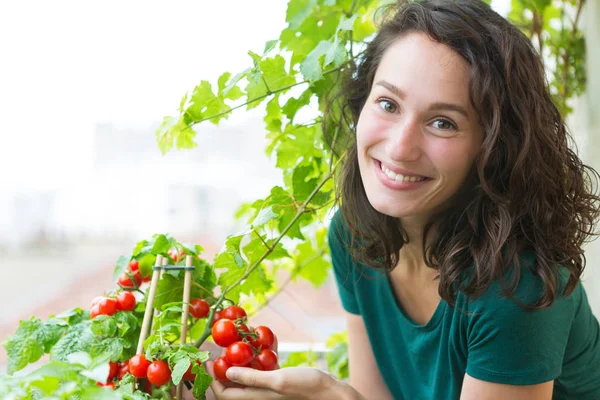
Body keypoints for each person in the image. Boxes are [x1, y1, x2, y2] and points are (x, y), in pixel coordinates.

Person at [202, 0, 600, 399]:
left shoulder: (516, 286)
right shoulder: (354, 236)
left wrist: (333, 395)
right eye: (388, 104)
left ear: (493, 147)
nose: (399, 147)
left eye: (442, 122)